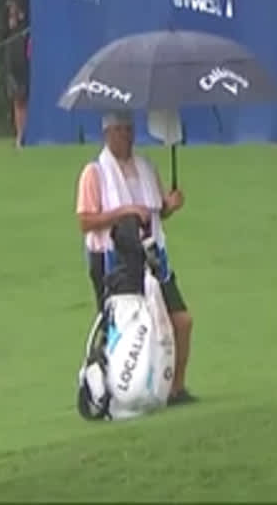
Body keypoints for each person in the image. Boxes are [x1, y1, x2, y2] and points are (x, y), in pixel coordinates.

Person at [75, 110, 198, 403]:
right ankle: (114, 390)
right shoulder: (95, 173)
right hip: (112, 260)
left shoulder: (146, 167)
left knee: (181, 321)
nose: (127, 136)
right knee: (122, 328)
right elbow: (86, 221)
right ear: (107, 134)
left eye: (129, 130)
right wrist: (124, 212)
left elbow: (154, 212)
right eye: (120, 130)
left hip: (151, 255)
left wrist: (169, 205)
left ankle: (175, 388)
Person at [2, 0, 30, 148]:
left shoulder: (30, 2)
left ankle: (26, 134)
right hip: (15, 55)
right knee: (18, 97)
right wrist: (12, 16)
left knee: (25, 96)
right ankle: (20, 135)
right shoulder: (11, 3)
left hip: (27, 53)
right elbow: (5, 29)